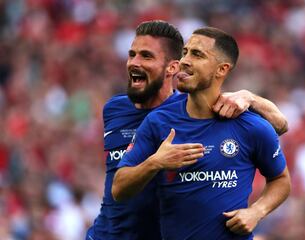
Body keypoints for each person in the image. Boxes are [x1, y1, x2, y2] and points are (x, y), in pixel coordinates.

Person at [87, 21, 288, 240]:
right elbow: (118, 187)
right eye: (185, 53)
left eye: (197, 54)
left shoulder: (243, 121)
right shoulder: (133, 114)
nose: (185, 61)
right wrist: (156, 162)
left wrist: (256, 212)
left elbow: (280, 142)